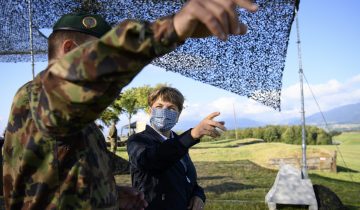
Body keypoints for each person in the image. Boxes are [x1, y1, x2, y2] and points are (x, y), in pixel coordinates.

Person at [2, 0, 258, 209]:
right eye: (100, 54)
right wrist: (173, 28)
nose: (113, 77)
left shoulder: (77, 121)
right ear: (69, 50)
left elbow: (61, 179)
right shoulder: (37, 97)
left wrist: (110, 195)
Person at [127, 87, 226, 210]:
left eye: (171, 108)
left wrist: (198, 195)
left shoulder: (179, 143)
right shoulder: (137, 140)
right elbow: (151, 161)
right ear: (150, 111)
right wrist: (192, 135)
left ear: (178, 116)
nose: (164, 111)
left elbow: (188, 179)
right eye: (159, 106)